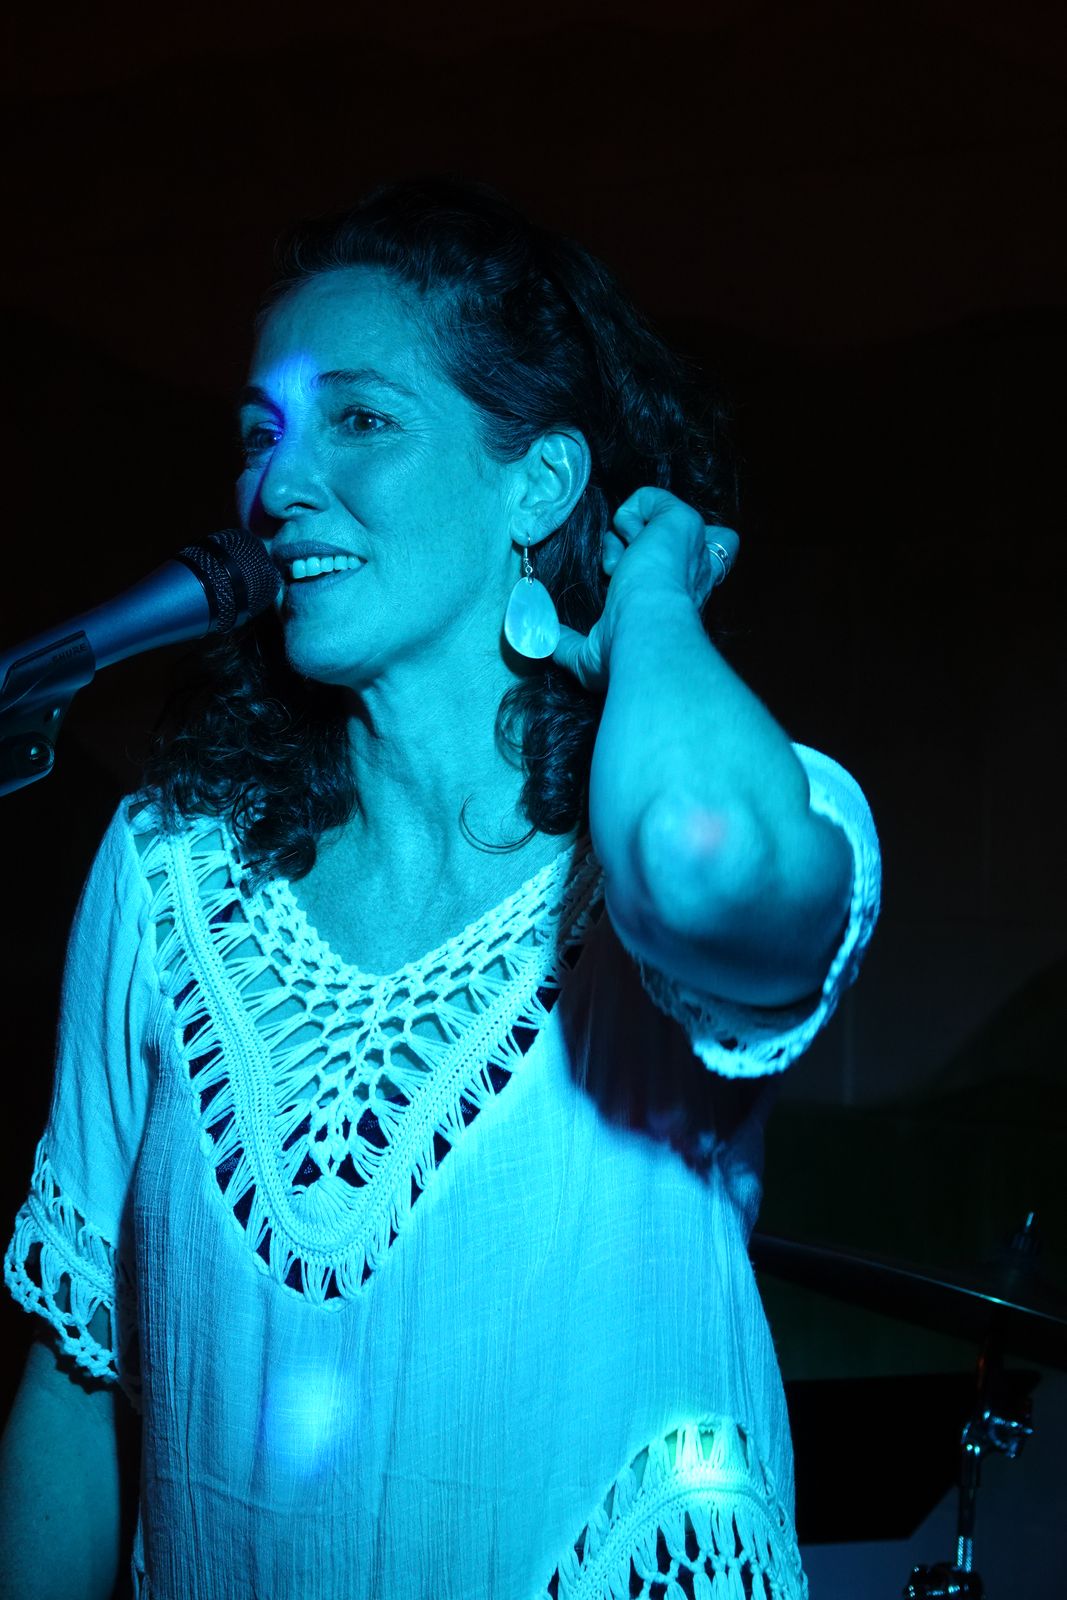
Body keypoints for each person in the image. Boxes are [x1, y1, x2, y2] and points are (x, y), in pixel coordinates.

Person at [0, 176, 880, 1600]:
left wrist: (650, 596)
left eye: (361, 420)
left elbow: (704, 856)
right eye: (261, 434)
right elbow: (72, 1380)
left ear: (539, 483)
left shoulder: (673, 839)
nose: (279, 488)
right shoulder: (168, 866)